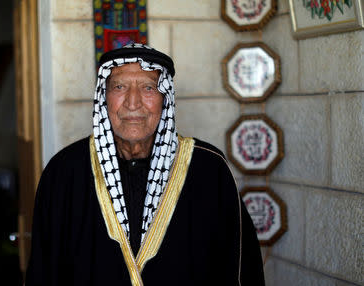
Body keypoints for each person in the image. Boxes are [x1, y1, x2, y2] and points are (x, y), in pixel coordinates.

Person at [25, 43, 265, 285]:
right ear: (104, 97)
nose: (133, 102)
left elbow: (240, 269)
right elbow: (43, 271)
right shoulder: (65, 172)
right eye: (119, 87)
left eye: (148, 88)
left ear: (165, 98)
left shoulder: (209, 169)